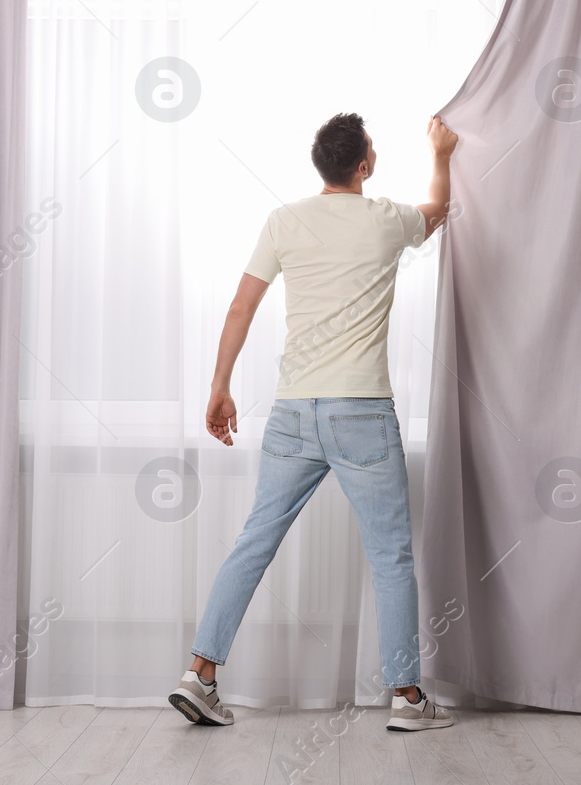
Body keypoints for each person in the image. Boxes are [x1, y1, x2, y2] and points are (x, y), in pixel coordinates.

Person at [167, 112, 459, 733]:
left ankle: (200, 674)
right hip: (362, 413)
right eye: (372, 149)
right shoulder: (386, 219)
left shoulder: (284, 220)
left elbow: (242, 306)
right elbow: (439, 209)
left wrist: (219, 387)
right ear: (362, 166)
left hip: (295, 411)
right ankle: (408, 701)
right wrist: (441, 153)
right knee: (390, 558)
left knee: (253, 542)